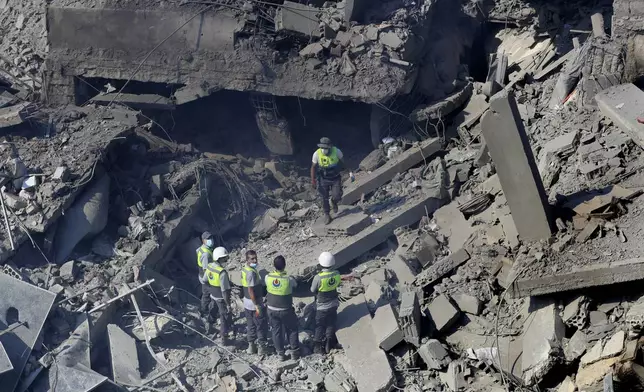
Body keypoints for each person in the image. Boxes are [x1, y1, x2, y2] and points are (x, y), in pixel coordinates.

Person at [265, 255, 301, 361]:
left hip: (271, 309)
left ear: (274, 266)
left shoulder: (268, 277)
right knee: (292, 329)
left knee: (276, 331)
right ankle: (294, 352)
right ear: (285, 265)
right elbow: (295, 284)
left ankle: (280, 354)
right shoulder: (288, 279)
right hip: (286, 310)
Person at [310, 251, 341, 354]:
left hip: (322, 307)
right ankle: (329, 343)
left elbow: (312, 290)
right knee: (331, 323)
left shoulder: (318, 277)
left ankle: (318, 347)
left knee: (320, 325)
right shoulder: (337, 274)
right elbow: (338, 284)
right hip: (333, 304)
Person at [203, 246, 234, 346]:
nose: (226, 260)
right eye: (225, 258)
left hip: (213, 295)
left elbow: (204, 280)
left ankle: (209, 327)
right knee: (223, 316)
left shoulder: (209, 267)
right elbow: (225, 291)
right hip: (221, 297)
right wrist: (228, 304)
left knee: (213, 310)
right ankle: (224, 338)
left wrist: (211, 289)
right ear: (219, 259)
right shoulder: (222, 272)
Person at [310, 137, 345, 225]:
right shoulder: (316, 154)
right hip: (323, 179)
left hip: (335, 177)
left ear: (330, 146)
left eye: (326, 148)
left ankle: (334, 201)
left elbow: (343, 162)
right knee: (324, 197)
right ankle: (327, 214)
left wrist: (349, 171)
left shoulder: (337, 151)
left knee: (337, 195)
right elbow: (313, 167)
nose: (324, 150)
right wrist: (313, 180)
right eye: (322, 148)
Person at [241, 250, 269, 355]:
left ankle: (251, 347)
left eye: (255, 258)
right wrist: (256, 305)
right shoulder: (251, 273)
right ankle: (262, 348)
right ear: (247, 260)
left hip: (247, 303)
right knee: (260, 324)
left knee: (250, 324)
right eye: (252, 258)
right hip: (254, 304)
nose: (255, 260)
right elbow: (250, 290)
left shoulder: (245, 269)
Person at [197, 232, 215, 325]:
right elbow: (206, 269)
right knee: (210, 296)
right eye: (208, 239)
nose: (211, 240)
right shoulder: (206, 255)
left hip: (201, 276)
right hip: (205, 278)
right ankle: (208, 315)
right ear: (203, 240)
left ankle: (203, 311)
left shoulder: (201, 249)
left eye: (211, 238)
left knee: (205, 295)